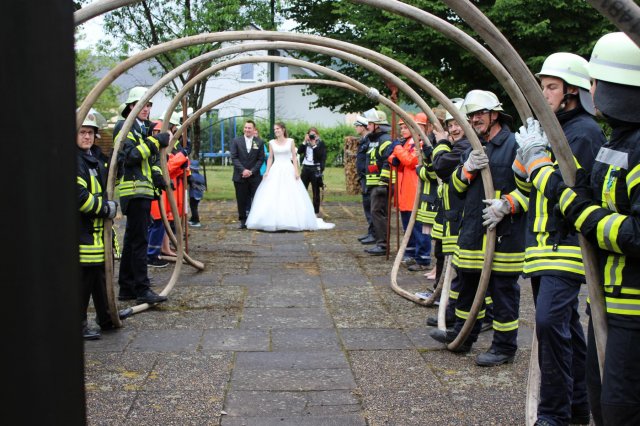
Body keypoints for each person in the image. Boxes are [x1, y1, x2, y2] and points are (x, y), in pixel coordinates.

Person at [521, 32, 640, 426]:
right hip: (608, 298)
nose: (593, 90)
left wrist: (549, 178)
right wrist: (536, 167)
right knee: (602, 403)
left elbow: (628, 231)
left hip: (630, 305)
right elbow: (584, 191)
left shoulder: (607, 139)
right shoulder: (617, 142)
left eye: (597, 82)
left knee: (621, 410)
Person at [513, 52, 606, 426]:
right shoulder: (551, 130)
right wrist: (526, 160)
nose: (544, 92)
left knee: (550, 324)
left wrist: (540, 165)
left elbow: (574, 194)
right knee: (564, 327)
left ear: (572, 91)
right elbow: (527, 186)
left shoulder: (583, 132)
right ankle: (578, 406)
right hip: (540, 246)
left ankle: (553, 414)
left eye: (551, 86)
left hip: (565, 246)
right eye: (543, 85)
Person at [430, 90, 527, 366]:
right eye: (471, 115)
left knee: (503, 293)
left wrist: (507, 204)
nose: (475, 120)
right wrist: (467, 169)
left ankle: (504, 347)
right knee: (468, 288)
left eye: (480, 114)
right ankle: (461, 336)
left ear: (495, 114)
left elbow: (532, 190)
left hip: (503, 236)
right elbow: (457, 188)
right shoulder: (474, 146)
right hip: (473, 231)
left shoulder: (515, 145)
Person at [115, 86, 170, 305]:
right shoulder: (125, 128)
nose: (146, 109)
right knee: (140, 242)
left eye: (148, 105)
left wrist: (158, 176)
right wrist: (157, 141)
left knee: (131, 241)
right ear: (131, 106)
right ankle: (142, 289)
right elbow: (132, 156)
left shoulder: (142, 129)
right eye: (142, 105)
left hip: (144, 190)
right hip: (134, 191)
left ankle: (126, 287)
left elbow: (151, 160)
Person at [246, 122, 333, 231]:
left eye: (277, 129)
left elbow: (294, 157)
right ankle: (272, 220)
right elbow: (270, 158)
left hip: (288, 169)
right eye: (274, 129)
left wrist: (296, 171)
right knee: (274, 193)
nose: (276, 131)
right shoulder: (271, 142)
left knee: (290, 193)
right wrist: (267, 171)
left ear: (283, 129)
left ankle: (293, 220)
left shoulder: (290, 141)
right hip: (276, 169)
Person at [77, 112, 118, 340]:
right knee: (83, 280)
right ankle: (79, 324)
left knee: (100, 275)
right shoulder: (75, 160)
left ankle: (106, 317)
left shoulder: (94, 156)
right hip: (82, 230)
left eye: (90, 133)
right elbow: (80, 198)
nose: (87, 137)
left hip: (96, 232)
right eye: (82, 132)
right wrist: (106, 209)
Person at [388, 113, 432, 270]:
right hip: (406, 193)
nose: (403, 130)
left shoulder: (423, 143)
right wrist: (397, 152)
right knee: (409, 227)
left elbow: (410, 160)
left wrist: (397, 149)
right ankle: (411, 255)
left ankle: (424, 259)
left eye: (407, 126)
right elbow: (394, 160)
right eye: (402, 127)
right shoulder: (408, 143)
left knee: (422, 228)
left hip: (419, 193)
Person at [147, 112, 186, 267]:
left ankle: (161, 250)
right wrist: (181, 158)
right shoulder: (156, 149)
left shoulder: (170, 146)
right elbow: (166, 167)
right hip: (158, 191)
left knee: (164, 221)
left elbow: (172, 168)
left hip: (169, 188)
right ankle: (151, 254)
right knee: (157, 222)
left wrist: (183, 163)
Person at [362, 108, 395, 256]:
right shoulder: (374, 140)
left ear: (378, 125)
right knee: (377, 212)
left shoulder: (385, 140)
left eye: (370, 123)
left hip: (381, 185)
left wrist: (383, 182)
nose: (367, 126)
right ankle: (380, 243)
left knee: (378, 212)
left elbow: (387, 162)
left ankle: (382, 245)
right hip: (374, 184)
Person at [230, 120, 265, 229]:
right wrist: (243, 170)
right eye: (245, 127)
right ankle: (243, 221)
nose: (247, 130)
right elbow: (234, 157)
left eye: (249, 128)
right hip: (240, 176)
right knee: (241, 199)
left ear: (254, 129)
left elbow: (261, 159)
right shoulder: (236, 141)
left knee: (256, 199)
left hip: (254, 177)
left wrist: (252, 171)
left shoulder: (259, 142)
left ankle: (255, 219)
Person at [354, 115, 375, 244]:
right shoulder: (364, 139)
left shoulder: (368, 140)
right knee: (367, 206)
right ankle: (370, 232)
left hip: (368, 177)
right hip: (363, 177)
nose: (356, 128)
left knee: (370, 205)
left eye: (357, 126)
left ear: (363, 126)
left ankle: (373, 233)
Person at [298, 127, 328, 217]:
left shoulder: (320, 143)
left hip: (315, 168)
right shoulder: (306, 143)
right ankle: (302, 210)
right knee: (302, 189)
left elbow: (320, 156)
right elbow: (299, 151)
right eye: (310, 134)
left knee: (316, 191)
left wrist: (314, 145)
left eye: (313, 135)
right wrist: (304, 141)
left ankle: (315, 212)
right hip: (306, 168)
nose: (311, 136)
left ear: (317, 135)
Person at [188, 160, 206, 228]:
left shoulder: (191, 176)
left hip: (193, 194)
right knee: (195, 207)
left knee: (193, 208)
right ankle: (192, 219)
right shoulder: (201, 176)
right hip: (199, 194)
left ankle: (196, 221)